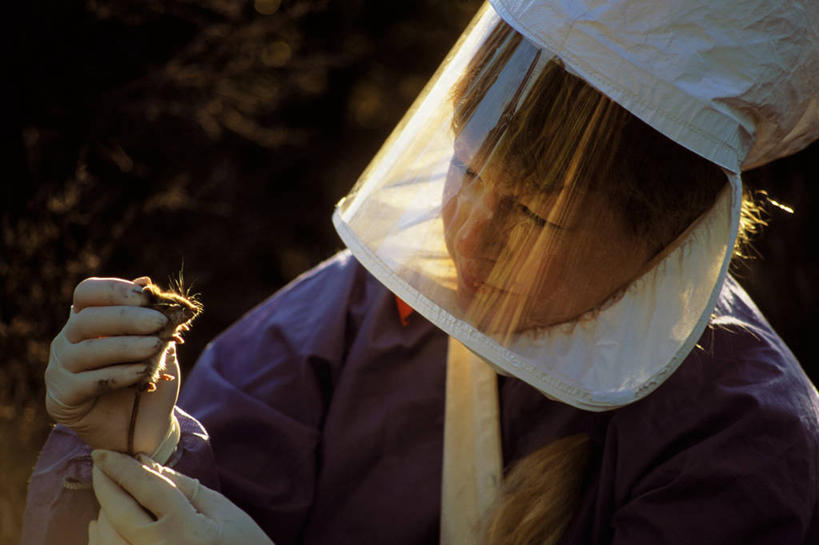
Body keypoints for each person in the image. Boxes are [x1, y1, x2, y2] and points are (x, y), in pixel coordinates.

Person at [22, 0, 819, 544]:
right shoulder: (364, 302)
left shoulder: (742, 428)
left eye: (535, 215)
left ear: (666, 236)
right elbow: (210, 477)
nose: (467, 233)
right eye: (465, 172)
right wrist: (127, 442)